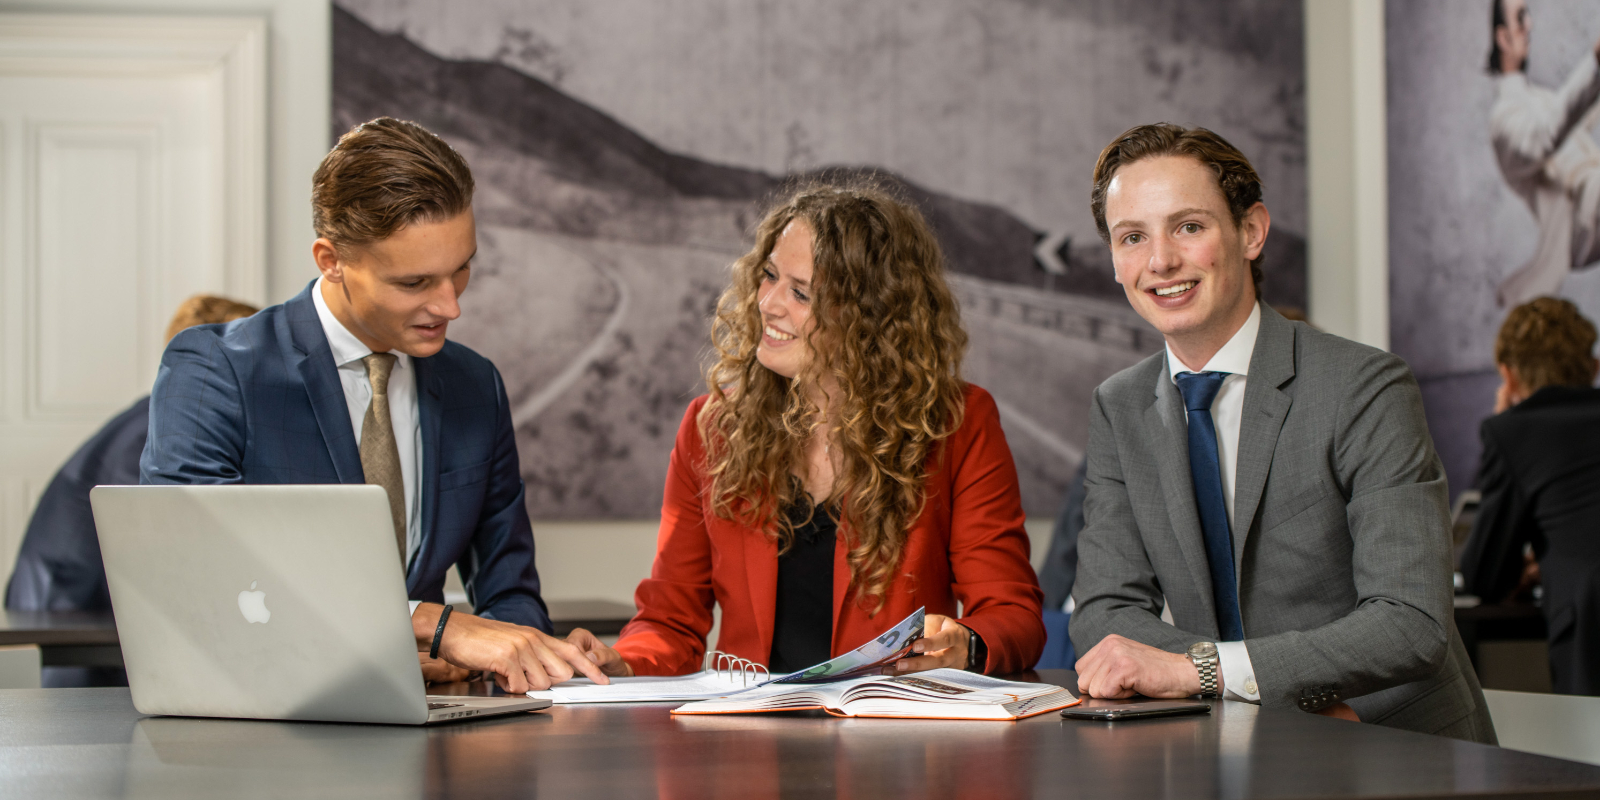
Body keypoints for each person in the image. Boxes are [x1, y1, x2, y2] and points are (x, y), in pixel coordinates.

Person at [140, 117, 606, 693]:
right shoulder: (215, 369)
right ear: (330, 259)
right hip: (261, 736)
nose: (450, 306)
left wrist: (529, 653)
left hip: (437, 742)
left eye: (461, 269)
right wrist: (429, 623)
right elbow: (198, 564)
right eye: (415, 283)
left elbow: (508, 588)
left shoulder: (474, 385)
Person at [1068, 123, 1495, 743]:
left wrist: (1203, 671)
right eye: (1132, 237)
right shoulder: (1119, 406)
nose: (1160, 261)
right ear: (1113, 259)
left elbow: (1410, 622)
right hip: (1228, 748)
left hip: (1393, 747)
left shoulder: (1364, 385)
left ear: (1251, 231)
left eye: (1189, 226)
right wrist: (1233, 686)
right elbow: (1105, 611)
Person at [567, 182, 1045, 678]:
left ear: (869, 316)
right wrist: (617, 661)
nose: (768, 303)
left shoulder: (957, 422)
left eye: (800, 292)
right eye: (769, 276)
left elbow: (1013, 616)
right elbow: (669, 622)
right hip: (749, 738)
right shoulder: (711, 427)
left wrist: (965, 644)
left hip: (892, 741)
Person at [7, 296, 258, 687]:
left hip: (73, 606)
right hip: (78, 618)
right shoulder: (170, 432)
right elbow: (156, 546)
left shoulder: (154, 415)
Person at [1461, 297, 1600, 694]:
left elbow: (1485, 575)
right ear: (1594, 367)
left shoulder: (1515, 433)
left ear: (1509, 375)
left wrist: (1505, 420)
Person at [1488, 0, 1600, 307]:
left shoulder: (1538, 98)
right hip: (1580, 222)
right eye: (1520, 18)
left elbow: (1576, 116)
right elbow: (1547, 135)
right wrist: (1595, 63)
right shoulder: (1504, 120)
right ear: (1503, 38)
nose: (1530, 25)